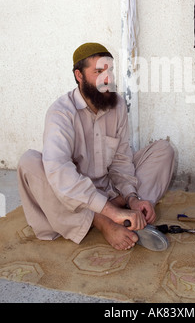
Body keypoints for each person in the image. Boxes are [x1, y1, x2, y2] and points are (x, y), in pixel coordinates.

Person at [17, 43, 174, 251]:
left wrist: (132, 197)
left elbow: (121, 161)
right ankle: (101, 221)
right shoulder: (61, 112)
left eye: (109, 71)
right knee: (30, 163)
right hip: (74, 194)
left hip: (109, 187)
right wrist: (109, 213)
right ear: (79, 75)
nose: (107, 79)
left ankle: (135, 210)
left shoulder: (116, 105)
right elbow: (59, 171)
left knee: (164, 150)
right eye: (98, 72)